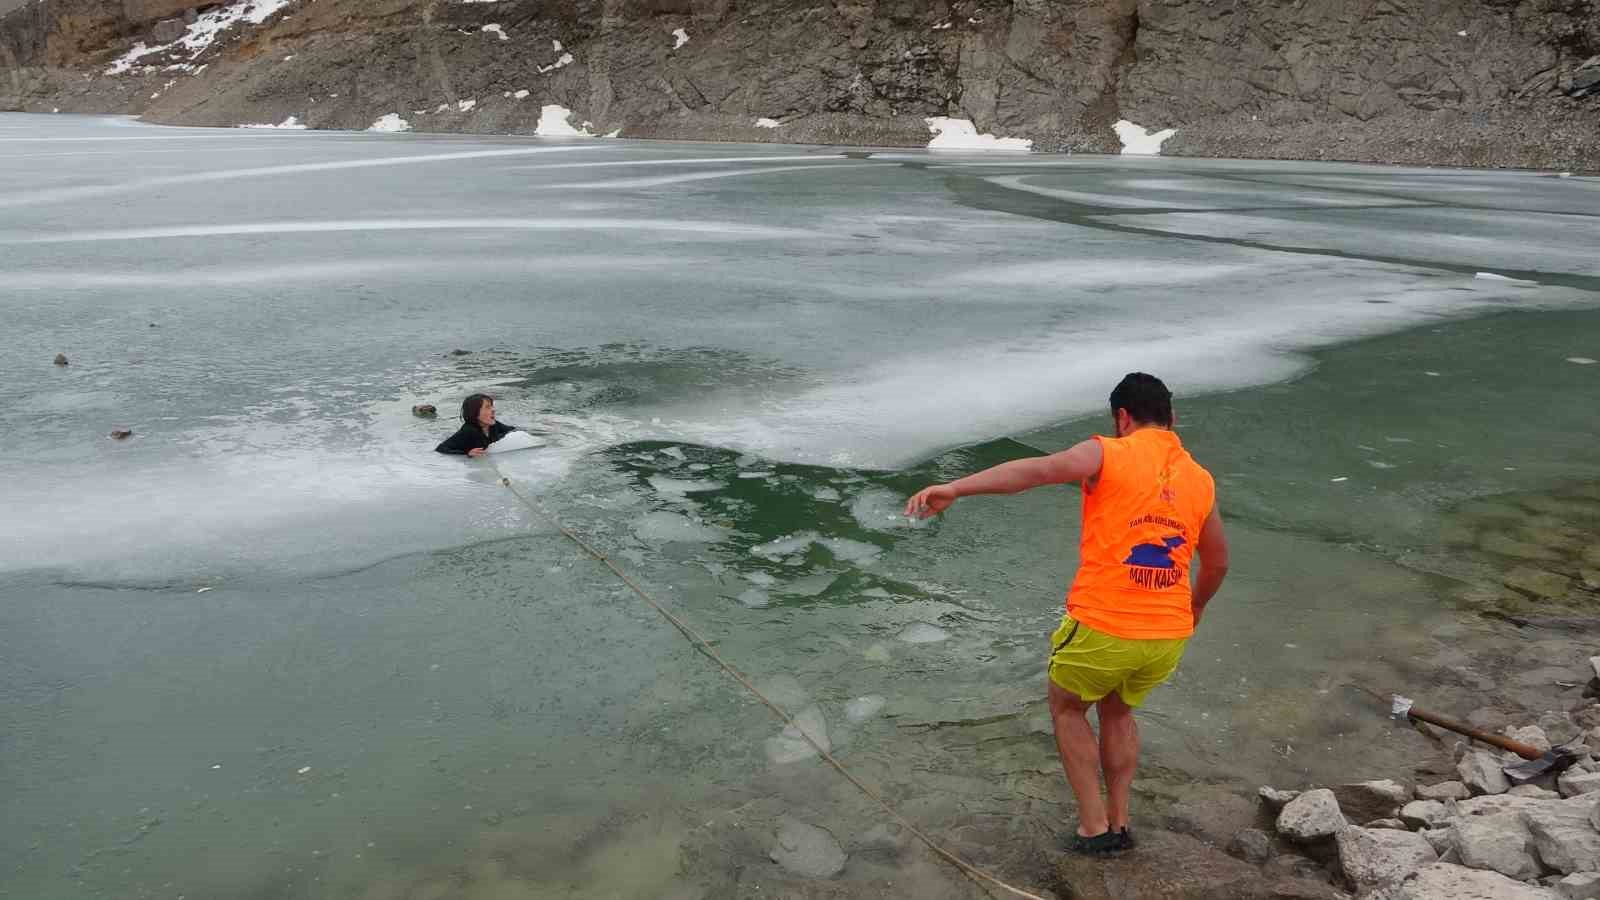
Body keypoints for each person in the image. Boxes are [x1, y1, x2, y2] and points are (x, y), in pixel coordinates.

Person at [904, 373, 1229, 857]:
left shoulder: (1108, 452)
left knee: (1068, 708)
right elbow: (1218, 562)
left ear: (1122, 417)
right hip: (1167, 633)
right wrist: (1195, 605)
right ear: (1171, 418)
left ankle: (1094, 829)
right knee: (1119, 711)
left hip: (1105, 623)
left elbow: (1035, 472)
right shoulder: (1200, 478)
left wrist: (956, 488)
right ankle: (1121, 822)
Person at [435, 393, 523, 457]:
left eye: (492, 406)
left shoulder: (494, 425)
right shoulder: (468, 431)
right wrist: (467, 453)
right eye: (488, 407)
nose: (493, 410)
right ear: (475, 412)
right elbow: (441, 448)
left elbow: (512, 430)